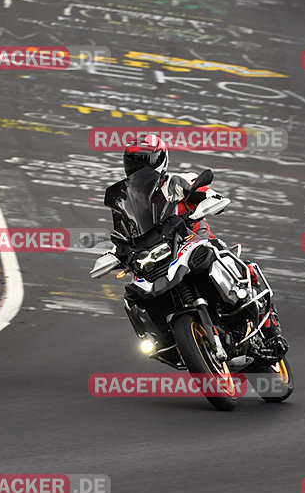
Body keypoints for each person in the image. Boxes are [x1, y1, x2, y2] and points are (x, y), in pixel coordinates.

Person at [109, 132, 288, 359]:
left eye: (146, 161)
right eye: (133, 161)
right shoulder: (129, 200)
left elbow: (200, 188)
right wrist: (119, 253)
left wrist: (208, 197)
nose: (140, 167)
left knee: (233, 260)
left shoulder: (176, 182)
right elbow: (125, 232)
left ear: (160, 160)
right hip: (161, 254)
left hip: (193, 238)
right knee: (135, 292)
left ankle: (270, 327)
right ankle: (165, 339)